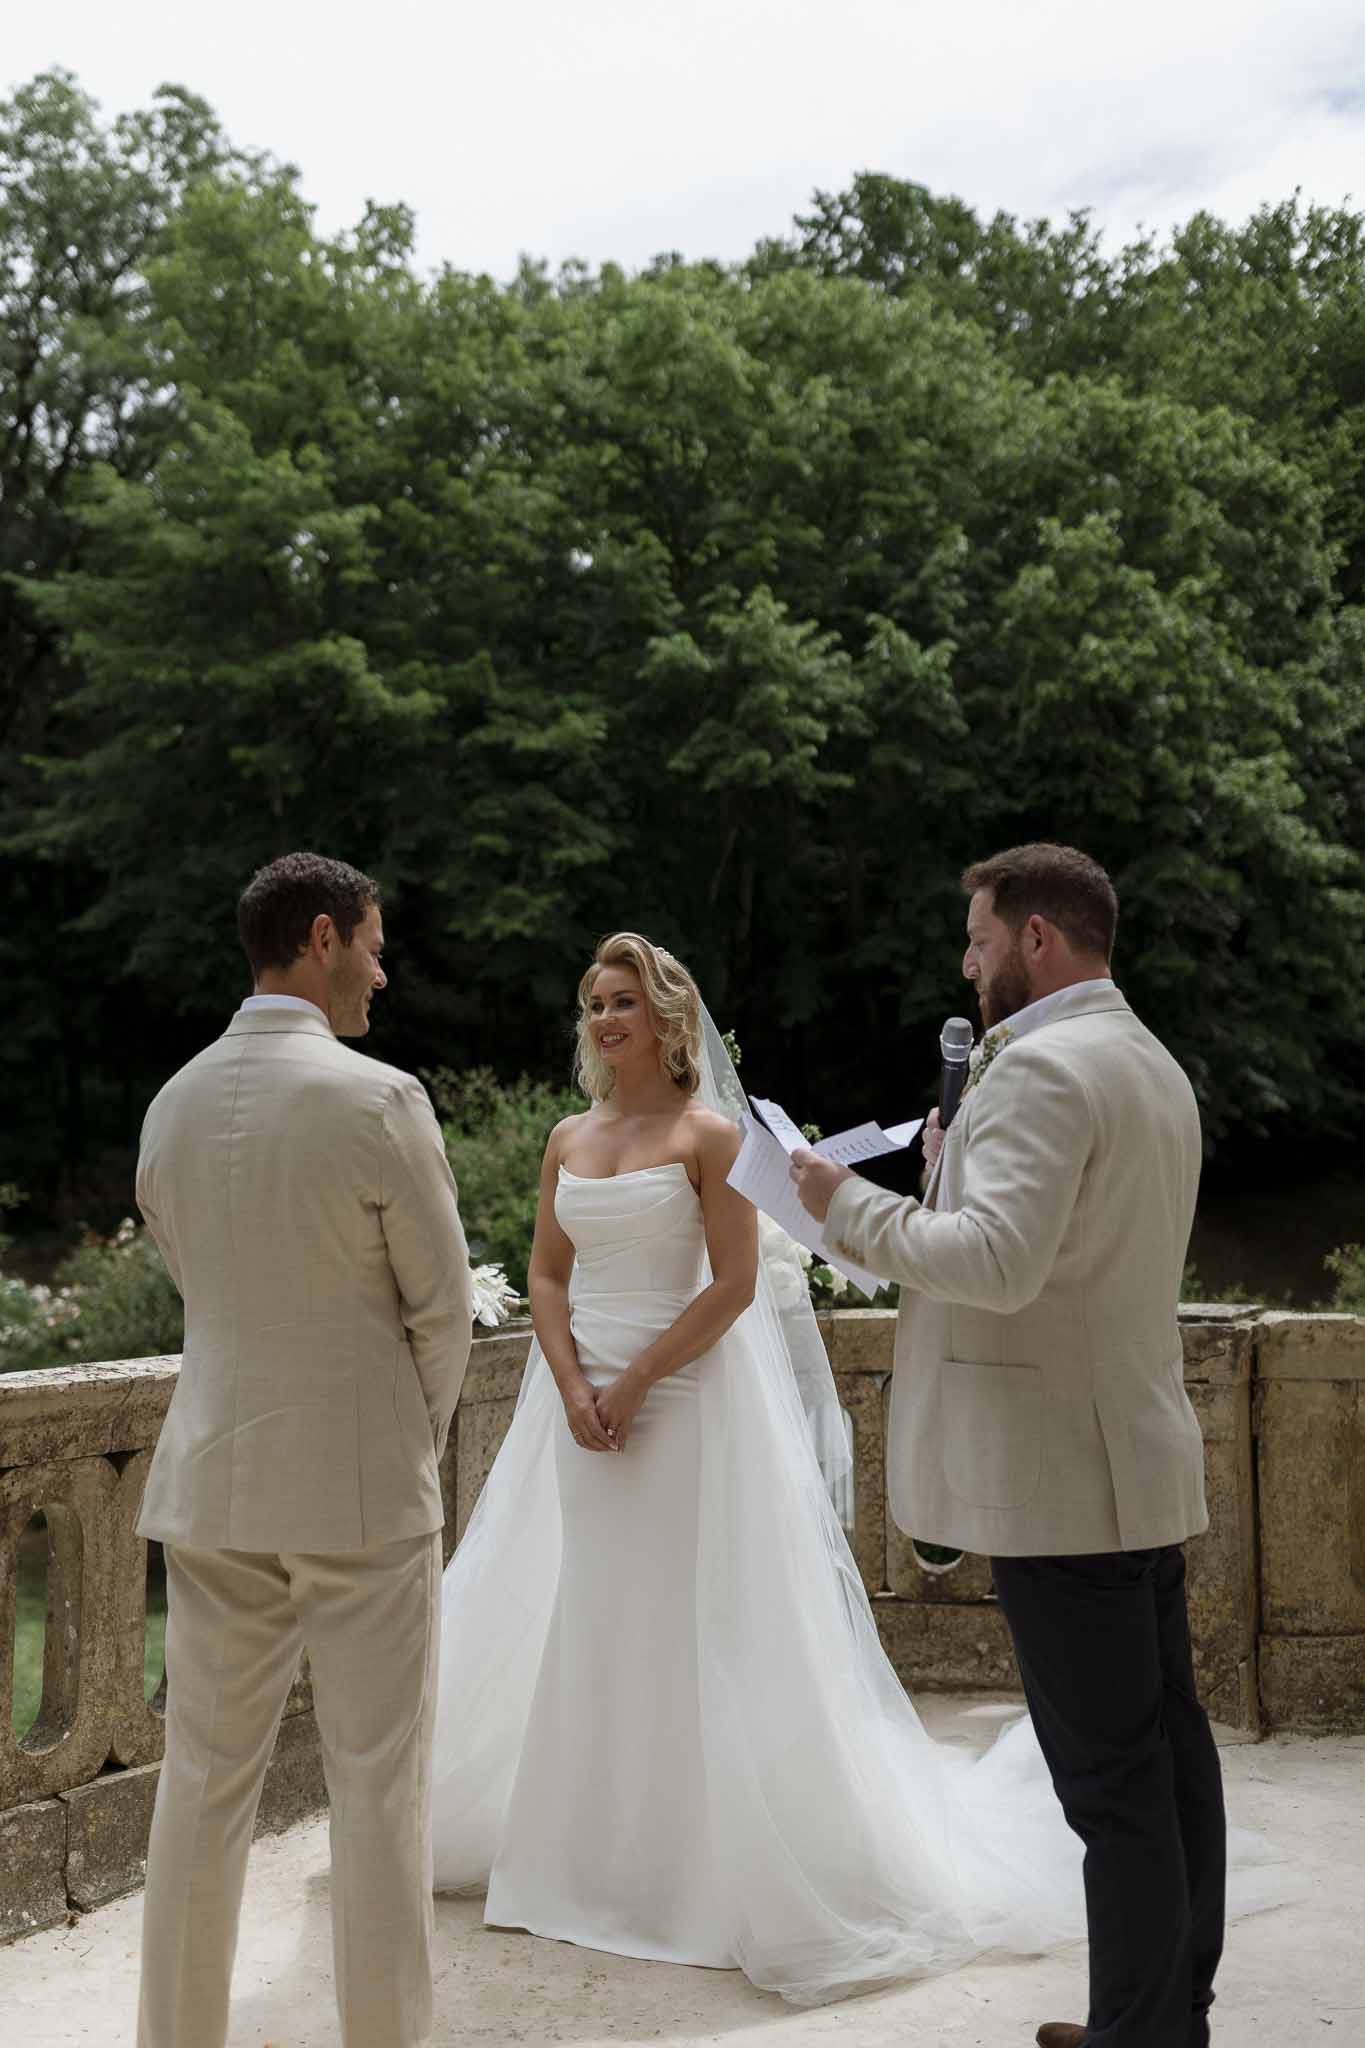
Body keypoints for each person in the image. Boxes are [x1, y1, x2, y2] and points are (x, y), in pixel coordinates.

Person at [431, 929, 1105, 2003]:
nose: (605, 1020)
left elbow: (735, 1283)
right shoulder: (566, 1135)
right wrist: (569, 1385)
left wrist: (639, 1378)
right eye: (594, 1004)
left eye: (623, 1002)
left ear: (667, 1016)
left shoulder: (711, 1136)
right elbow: (549, 1277)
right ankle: (583, 1859)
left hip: (683, 1395)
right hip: (579, 1405)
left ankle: (690, 1872)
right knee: (596, 1608)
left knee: (691, 1612)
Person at [793, 843, 1224, 2048]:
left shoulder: (1039, 1071)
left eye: (979, 940)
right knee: (1170, 1758)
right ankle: (1166, 2008)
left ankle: (1146, 2034)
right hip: (1132, 1450)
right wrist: (947, 1184)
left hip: (1061, 1480)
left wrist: (844, 1203)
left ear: (1038, 938)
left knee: (1113, 1784)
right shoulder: (1147, 1059)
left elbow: (996, 1263)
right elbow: (1062, 1247)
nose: (967, 965)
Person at [134, 851, 473, 2048]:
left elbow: (199, 1281)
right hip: (363, 1495)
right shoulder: (379, 1100)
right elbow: (441, 1312)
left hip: (213, 1481)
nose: (382, 972)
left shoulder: (169, 1102)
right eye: (375, 945)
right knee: (378, 1788)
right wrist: (405, 1446)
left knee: (201, 1783)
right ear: (323, 937)